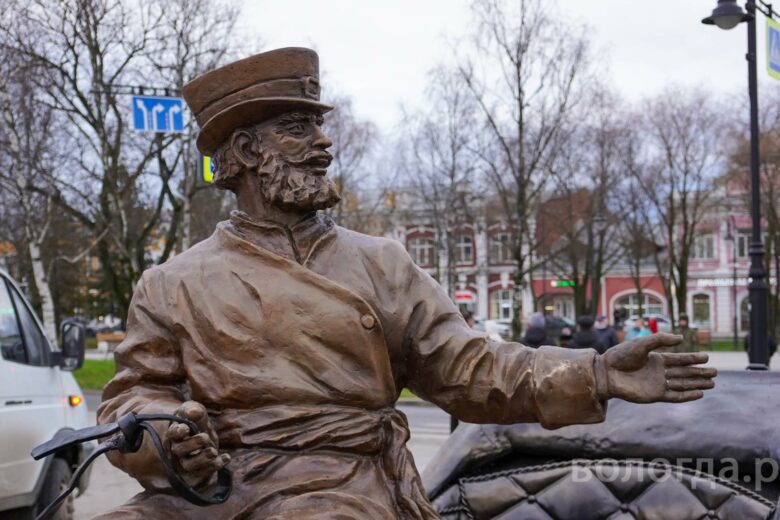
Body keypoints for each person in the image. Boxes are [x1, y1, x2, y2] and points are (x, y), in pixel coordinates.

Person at [94, 48, 716, 520]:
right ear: (249, 151)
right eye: (299, 129)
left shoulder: (382, 263)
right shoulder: (171, 282)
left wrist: (595, 373)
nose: (324, 143)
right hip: (208, 491)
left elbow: (469, 369)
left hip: (339, 485)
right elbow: (132, 398)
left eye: (318, 127)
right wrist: (168, 438)